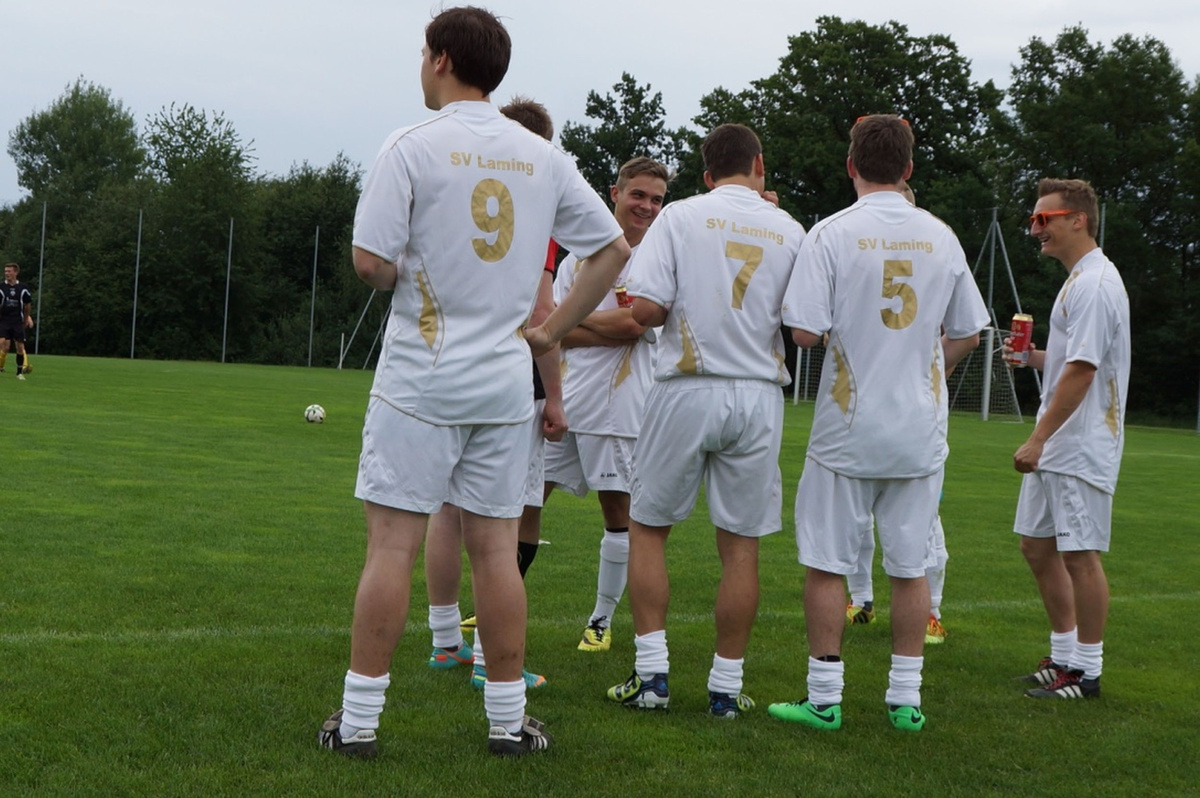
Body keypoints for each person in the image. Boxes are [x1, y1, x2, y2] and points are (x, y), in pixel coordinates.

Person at [317, 7, 630, 760]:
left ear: (441, 59)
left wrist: (402, 273)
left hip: (420, 381)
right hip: (502, 387)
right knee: (496, 552)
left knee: (392, 547)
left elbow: (370, 262)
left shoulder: (411, 143)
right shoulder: (541, 156)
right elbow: (612, 250)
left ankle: (358, 724)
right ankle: (507, 723)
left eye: (423, 52)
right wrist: (550, 333)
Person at [770, 114, 988, 732]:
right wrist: (927, 371)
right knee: (910, 566)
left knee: (827, 562)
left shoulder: (832, 232)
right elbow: (969, 332)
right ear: (909, 168)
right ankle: (905, 702)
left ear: (851, 166)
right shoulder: (940, 235)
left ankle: (824, 699)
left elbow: (804, 332)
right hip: (918, 428)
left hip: (848, 427)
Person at [602, 124, 804, 718]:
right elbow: (802, 324)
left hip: (688, 385)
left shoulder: (681, 215)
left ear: (708, 174)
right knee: (740, 547)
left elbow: (646, 310)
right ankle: (725, 688)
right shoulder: (790, 228)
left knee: (648, 529)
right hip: (760, 394)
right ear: (759, 165)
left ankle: (652, 677)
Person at [423, 97, 563, 691]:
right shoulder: (536, 204)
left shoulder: (457, 192)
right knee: (501, 527)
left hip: (445, 368)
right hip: (509, 381)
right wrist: (556, 395)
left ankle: (445, 642)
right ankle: (490, 657)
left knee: (446, 510)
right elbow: (541, 312)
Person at [1008, 178, 1130, 700]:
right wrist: (1032, 358)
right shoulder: (1077, 280)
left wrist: (1037, 439)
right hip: (1059, 441)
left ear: (1078, 219)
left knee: (1080, 554)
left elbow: (1083, 371)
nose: (1035, 229)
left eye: (1044, 219)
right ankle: (1061, 657)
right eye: (1033, 219)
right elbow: (1068, 362)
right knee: (1037, 547)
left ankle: (1087, 671)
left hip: (1079, 442)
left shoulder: (1096, 284)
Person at [543, 156, 669, 652]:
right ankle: (492, 603)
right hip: (563, 400)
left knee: (618, 513)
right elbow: (549, 331)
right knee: (525, 499)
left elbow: (636, 325)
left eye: (656, 199)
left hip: (619, 408)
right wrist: (586, 325)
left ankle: (601, 620)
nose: (647, 206)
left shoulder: (656, 259)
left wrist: (573, 319)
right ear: (614, 193)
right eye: (638, 194)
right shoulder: (578, 258)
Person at [841, 178, 949, 645]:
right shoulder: (856, 251)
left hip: (918, 416)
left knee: (924, 523)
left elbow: (963, 332)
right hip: (864, 409)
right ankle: (861, 598)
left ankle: (931, 611)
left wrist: (923, 375)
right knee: (857, 517)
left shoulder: (935, 252)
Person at [0, 263, 34, 380]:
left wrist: (27, 318)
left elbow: (27, 305)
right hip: (4, 320)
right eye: (5, 271)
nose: (7, 273)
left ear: (16, 272)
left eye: (9, 271)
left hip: (17, 321)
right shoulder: (1, 287)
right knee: (2, 343)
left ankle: (19, 373)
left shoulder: (23, 288)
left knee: (20, 346)